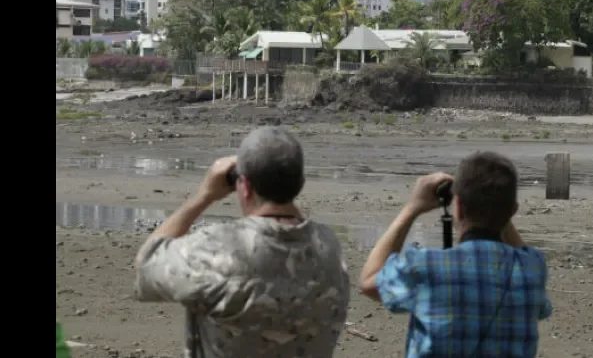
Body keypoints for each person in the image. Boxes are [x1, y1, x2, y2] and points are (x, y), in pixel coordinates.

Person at [134, 127, 350, 358]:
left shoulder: (218, 248)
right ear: (301, 183)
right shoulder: (329, 249)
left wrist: (204, 196)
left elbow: (147, 266)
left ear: (244, 186)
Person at [359, 151, 553, 358]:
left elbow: (369, 281)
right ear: (513, 211)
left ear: (458, 208)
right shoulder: (531, 269)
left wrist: (412, 208)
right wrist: (499, 211)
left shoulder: (426, 266)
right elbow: (540, 302)